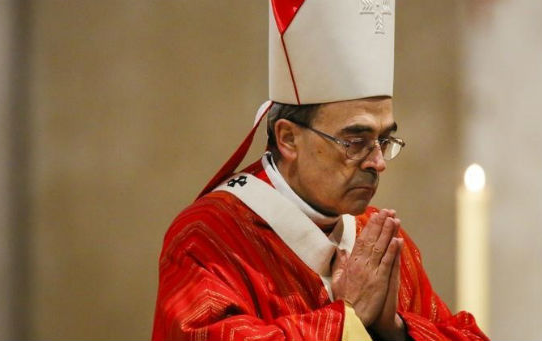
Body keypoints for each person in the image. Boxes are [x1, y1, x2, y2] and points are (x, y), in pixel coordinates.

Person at [152, 1, 489, 340]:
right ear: (288, 138)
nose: (378, 162)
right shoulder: (208, 240)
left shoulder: (377, 244)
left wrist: (395, 330)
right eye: (355, 141)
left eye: (385, 140)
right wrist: (348, 320)